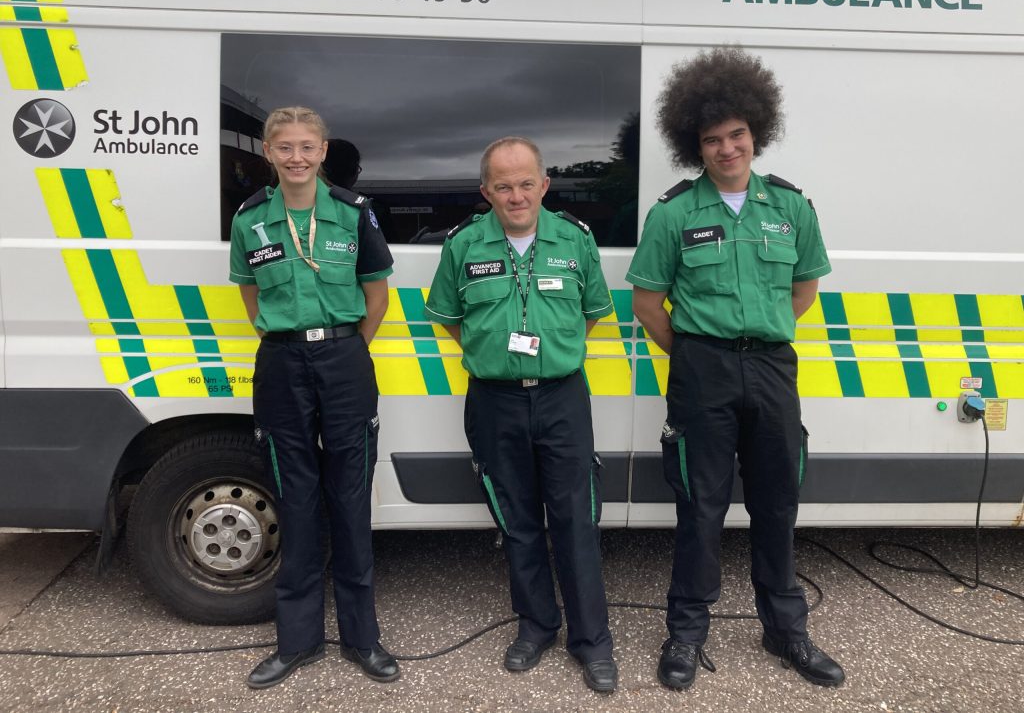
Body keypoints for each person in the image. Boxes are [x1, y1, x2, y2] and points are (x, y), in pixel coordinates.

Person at [627, 48, 845, 690]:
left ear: (757, 132)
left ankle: (786, 631)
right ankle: (687, 634)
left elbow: (803, 290)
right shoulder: (672, 214)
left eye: (737, 135)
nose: (726, 149)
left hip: (774, 370)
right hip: (703, 374)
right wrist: (700, 352)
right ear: (695, 145)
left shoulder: (791, 208)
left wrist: (758, 340)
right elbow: (647, 303)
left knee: (778, 505)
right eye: (712, 140)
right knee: (701, 507)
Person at [424, 137, 618, 693]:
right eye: (503, 185)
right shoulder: (462, 245)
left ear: (544, 185)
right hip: (494, 400)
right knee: (517, 521)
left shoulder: (576, 241)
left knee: (576, 518)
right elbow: (450, 317)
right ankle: (536, 625)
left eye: (525, 182)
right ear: (486, 191)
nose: (516, 195)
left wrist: (552, 355)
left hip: (561, 397)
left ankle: (592, 641)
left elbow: (592, 315)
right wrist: (497, 358)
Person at [228, 106, 400, 689]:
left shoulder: (354, 215)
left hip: (345, 357)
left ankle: (362, 639)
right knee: (294, 499)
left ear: (324, 151)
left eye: (307, 146)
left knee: (350, 498)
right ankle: (296, 642)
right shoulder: (250, 219)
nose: (296, 157)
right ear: (268, 153)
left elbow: (376, 296)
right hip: (281, 361)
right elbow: (251, 295)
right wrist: (288, 337)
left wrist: (346, 348)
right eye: (285, 148)